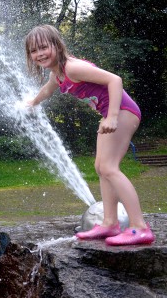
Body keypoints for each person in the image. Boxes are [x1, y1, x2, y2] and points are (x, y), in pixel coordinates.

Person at [25, 24, 155, 246]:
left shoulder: (73, 68)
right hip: (110, 114)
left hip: (122, 111)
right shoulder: (57, 75)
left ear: (57, 45)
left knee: (109, 168)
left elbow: (114, 80)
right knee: (101, 168)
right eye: (34, 51)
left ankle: (139, 227)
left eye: (44, 47)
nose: (40, 54)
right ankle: (110, 222)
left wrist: (112, 116)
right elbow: (47, 89)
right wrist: (32, 103)